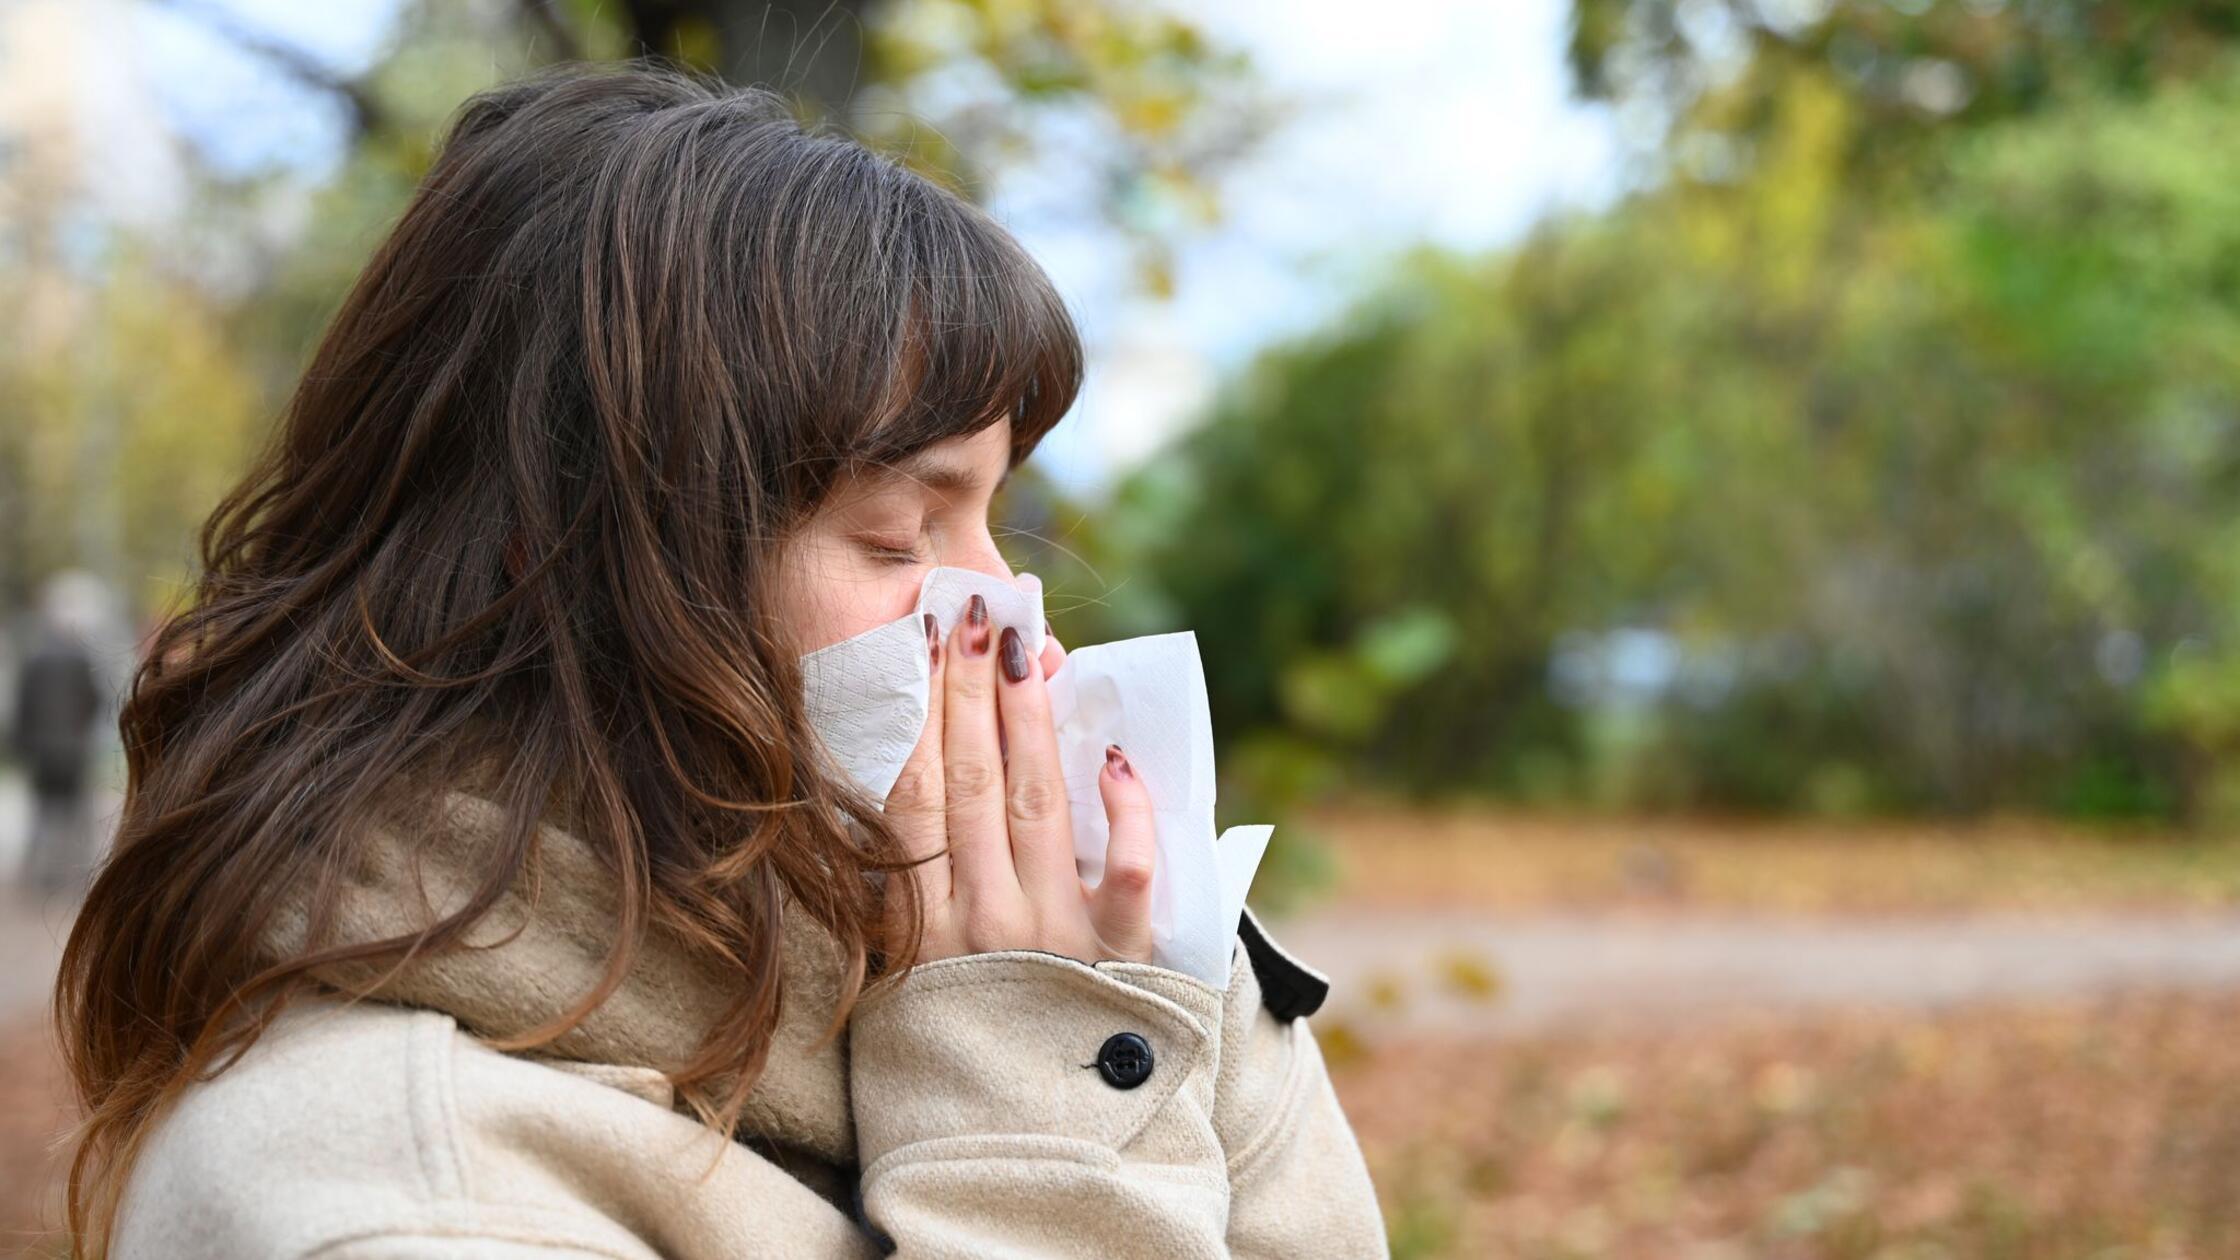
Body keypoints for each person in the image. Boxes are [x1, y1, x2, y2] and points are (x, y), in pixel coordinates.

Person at [54, 60, 1388, 1259]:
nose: (1011, 610)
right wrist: (1034, 1116)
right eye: (899, 535)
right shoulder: (383, 1192)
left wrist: (1128, 1010)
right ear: (567, 570)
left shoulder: (1094, 955)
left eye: (995, 515)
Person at [12, 570, 109, 897]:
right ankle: (77, 875)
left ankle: (38, 875)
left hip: (41, 750)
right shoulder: (81, 658)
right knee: (77, 815)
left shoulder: (34, 658)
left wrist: (24, 744)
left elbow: (23, 706)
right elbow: (96, 699)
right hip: (74, 748)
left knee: (42, 812)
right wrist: (81, 730)